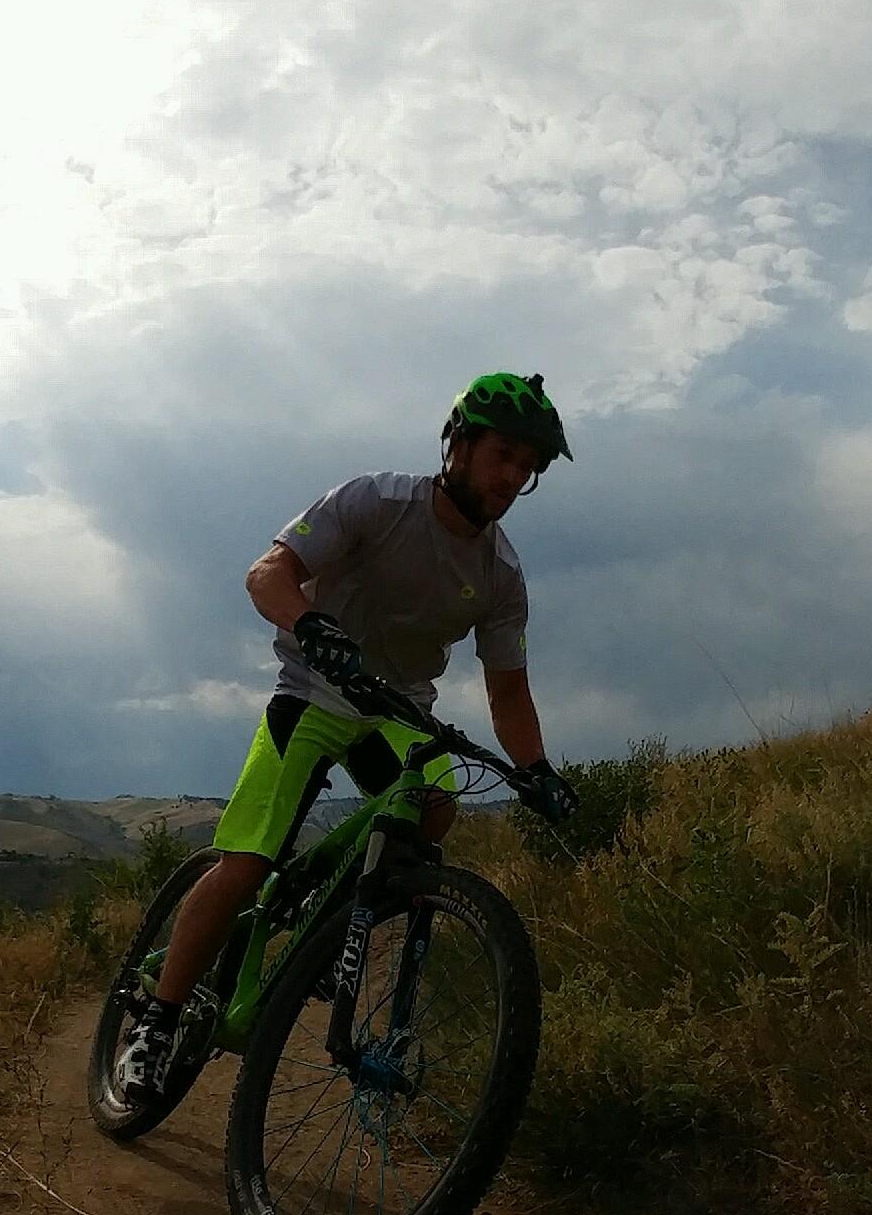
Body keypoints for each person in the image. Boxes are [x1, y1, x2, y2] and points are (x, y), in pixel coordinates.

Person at [116, 370, 579, 1105]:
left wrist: (539, 770)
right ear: (457, 445)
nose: (513, 477)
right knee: (247, 860)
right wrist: (309, 624)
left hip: (399, 714)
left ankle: (329, 932)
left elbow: (508, 690)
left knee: (432, 810)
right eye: (504, 456)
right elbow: (268, 574)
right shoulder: (376, 502)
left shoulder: (502, 575)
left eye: (528, 469)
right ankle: (158, 1019)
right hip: (314, 691)